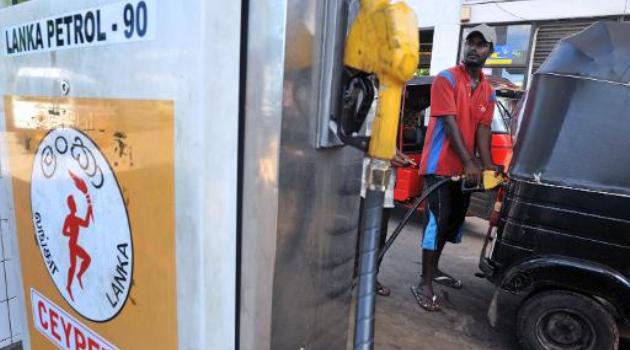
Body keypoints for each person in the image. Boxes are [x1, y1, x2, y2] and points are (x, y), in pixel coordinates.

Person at [411, 24, 498, 311]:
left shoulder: (489, 92)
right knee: (437, 221)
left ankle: (434, 269)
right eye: (470, 43)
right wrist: (471, 161)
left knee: (452, 222)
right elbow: (449, 124)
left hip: (465, 172)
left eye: (481, 44)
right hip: (439, 166)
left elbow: (483, 131)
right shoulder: (446, 79)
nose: (473, 48)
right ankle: (424, 282)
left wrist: (489, 166)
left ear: (490, 51)